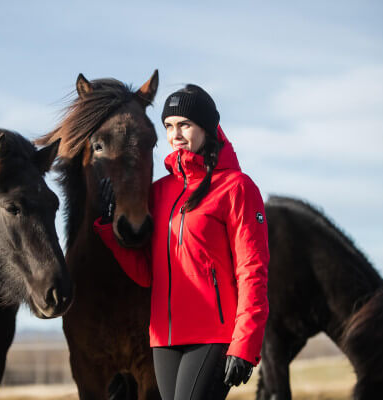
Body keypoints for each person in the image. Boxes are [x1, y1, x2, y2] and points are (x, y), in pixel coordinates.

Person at [94, 84, 269, 400]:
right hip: (165, 338)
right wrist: (110, 230)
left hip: (214, 335)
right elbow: (148, 273)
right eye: (169, 126)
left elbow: (253, 271)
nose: (175, 134)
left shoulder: (236, 188)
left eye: (185, 124)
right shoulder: (159, 192)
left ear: (207, 127)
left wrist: (246, 344)